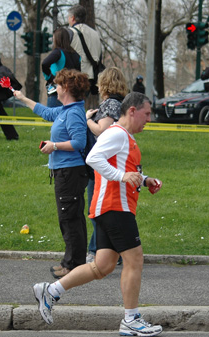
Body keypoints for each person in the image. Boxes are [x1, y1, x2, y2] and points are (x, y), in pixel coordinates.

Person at [32, 92, 164, 337]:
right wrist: (122, 176)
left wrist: (144, 180)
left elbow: (123, 168)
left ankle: (51, 291)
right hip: (115, 208)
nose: (149, 119)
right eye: (146, 114)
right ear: (132, 111)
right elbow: (93, 158)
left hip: (109, 208)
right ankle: (131, 319)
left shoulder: (125, 137)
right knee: (135, 260)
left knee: (102, 266)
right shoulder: (116, 133)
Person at [13, 69, 91, 279]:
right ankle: (76, 263)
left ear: (66, 88)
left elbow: (78, 142)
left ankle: (72, 266)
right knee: (72, 216)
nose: (54, 88)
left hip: (70, 173)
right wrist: (23, 98)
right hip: (66, 172)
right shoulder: (67, 109)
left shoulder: (73, 113)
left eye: (57, 85)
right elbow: (46, 113)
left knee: (69, 218)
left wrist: (54, 145)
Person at [84, 66, 129, 264]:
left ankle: (97, 251)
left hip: (104, 163)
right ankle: (113, 250)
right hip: (117, 161)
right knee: (109, 210)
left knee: (97, 210)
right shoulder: (123, 104)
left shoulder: (110, 104)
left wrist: (87, 120)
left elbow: (102, 131)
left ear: (104, 84)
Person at [67, 4, 103, 110]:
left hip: (75, 76)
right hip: (90, 77)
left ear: (73, 17)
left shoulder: (70, 33)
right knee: (80, 105)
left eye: (69, 17)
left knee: (70, 107)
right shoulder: (95, 34)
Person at [41, 27, 81, 108]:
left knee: (55, 119)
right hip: (71, 94)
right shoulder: (77, 55)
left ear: (57, 39)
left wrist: (51, 78)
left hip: (56, 93)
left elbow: (44, 64)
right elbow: (78, 73)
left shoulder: (58, 52)